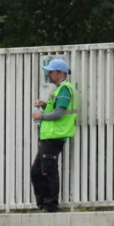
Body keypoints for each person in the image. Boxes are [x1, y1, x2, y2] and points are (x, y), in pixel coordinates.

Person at [29, 56, 76, 212]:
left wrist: (40, 116)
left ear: (60, 73)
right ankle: (44, 204)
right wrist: (43, 105)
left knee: (48, 171)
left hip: (55, 136)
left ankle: (50, 206)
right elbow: (55, 109)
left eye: (51, 72)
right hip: (49, 136)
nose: (48, 75)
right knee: (37, 172)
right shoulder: (58, 89)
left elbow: (59, 113)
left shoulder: (64, 89)